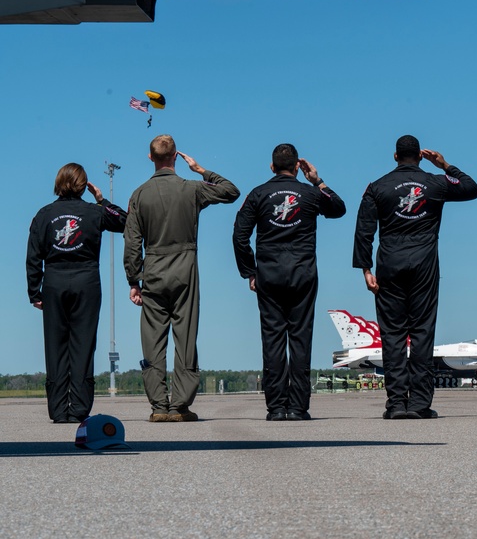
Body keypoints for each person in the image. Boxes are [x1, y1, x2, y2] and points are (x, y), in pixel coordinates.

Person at [353, 135, 477, 419]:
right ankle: (420, 404)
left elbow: (364, 230)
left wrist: (366, 269)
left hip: (389, 263)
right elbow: (472, 188)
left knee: (393, 334)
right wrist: (446, 165)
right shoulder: (435, 182)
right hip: (424, 264)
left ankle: (397, 404)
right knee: (422, 332)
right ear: (420, 157)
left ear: (395, 156)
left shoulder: (377, 186)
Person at [124, 135, 239, 422]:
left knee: (153, 339)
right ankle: (180, 405)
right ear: (176, 156)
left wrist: (133, 280)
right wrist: (202, 171)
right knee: (185, 336)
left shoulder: (139, 195)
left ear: (150, 158)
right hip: (185, 267)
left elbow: (131, 242)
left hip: (152, 268)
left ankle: (159, 406)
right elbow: (230, 191)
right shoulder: (191, 188)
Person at [233, 144, 346, 421]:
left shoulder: (258, 194)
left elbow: (239, 235)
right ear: (297, 167)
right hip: (302, 274)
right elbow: (338, 209)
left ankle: (275, 408)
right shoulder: (310, 193)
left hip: (268, 275)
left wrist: (250, 271)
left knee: (272, 340)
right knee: (300, 339)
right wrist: (317, 180)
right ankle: (297, 407)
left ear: (272, 167)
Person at [26, 164, 128, 423]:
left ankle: (59, 410)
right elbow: (125, 221)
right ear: (84, 185)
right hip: (87, 282)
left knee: (55, 346)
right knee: (83, 345)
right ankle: (80, 408)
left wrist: (34, 291)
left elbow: (33, 256)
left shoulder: (44, 215)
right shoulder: (94, 212)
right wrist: (102, 200)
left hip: (54, 283)